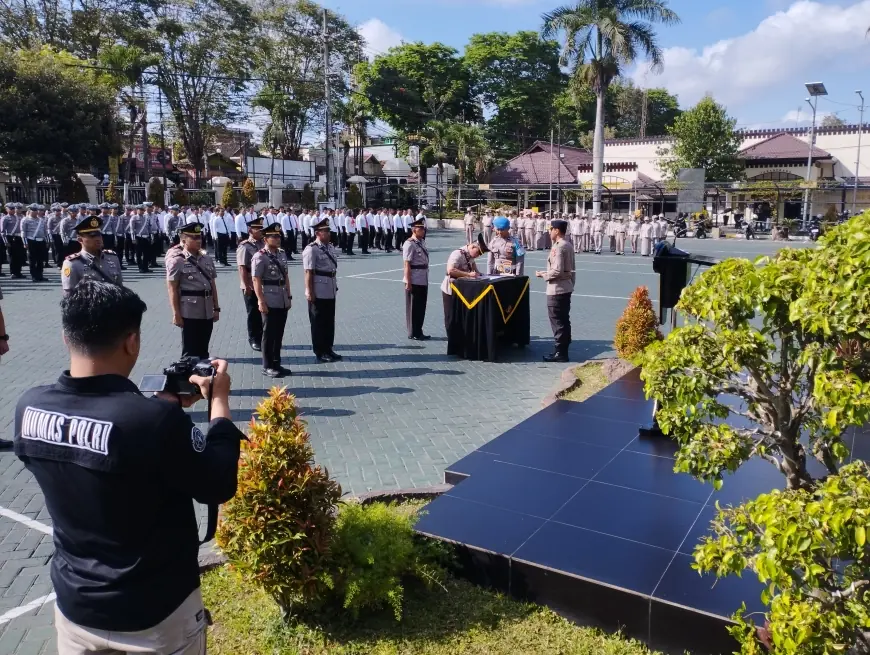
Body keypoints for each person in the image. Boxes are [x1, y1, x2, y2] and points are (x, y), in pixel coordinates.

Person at [13, 280, 243, 655]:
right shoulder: (153, 422)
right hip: (153, 612)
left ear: (65, 336)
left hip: (76, 606)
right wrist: (219, 402)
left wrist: (157, 408)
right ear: (131, 341)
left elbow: (98, 444)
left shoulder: (30, 406)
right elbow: (218, 483)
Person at [166, 222, 219, 360]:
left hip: (206, 309)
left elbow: (212, 284)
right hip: (189, 310)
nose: (198, 241)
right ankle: (187, 379)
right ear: (183, 240)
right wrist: (176, 313)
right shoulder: (177, 260)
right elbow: (172, 288)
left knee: (203, 350)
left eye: (199, 237)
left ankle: (202, 377)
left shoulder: (206, 258)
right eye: (193, 238)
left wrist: (216, 307)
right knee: (190, 352)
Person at [252, 222, 292, 378]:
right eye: (273, 236)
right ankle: (267, 365)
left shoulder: (281, 254)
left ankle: (276, 362)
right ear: (265, 239)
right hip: (269, 297)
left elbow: (286, 276)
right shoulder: (260, 256)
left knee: (279, 333)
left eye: (278, 236)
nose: (277, 239)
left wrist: (288, 295)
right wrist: (260, 301)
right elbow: (256, 279)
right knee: (268, 334)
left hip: (281, 297)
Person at [536, 219, 575, 363]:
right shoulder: (568, 245)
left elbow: (557, 270)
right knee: (564, 320)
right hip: (566, 287)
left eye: (550, 229)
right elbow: (572, 270)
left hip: (557, 288)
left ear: (557, 230)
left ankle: (561, 352)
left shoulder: (558, 247)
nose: (549, 231)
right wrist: (571, 284)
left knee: (557, 320)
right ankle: (562, 350)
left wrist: (544, 275)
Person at [303, 218, 342, 363]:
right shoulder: (311, 249)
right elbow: (308, 272)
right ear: (318, 233)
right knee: (318, 322)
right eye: (325, 231)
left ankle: (328, 348)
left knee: (329, 321)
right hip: (318, 289)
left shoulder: (330, 247)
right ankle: (320, 351)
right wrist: (309, 291)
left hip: (330, 288)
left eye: (328, 231)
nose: (328, 233)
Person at [61, 215, 123, 294]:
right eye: (92, 236)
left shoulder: (113, 258)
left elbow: (120, 286)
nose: (98, 239)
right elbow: (69, 294)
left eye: (99, 235)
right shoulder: (72, 263)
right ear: (80, 239)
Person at [441, 238, 485, 334]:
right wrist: (468, 275)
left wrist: (481, 275)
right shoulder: (457, 254)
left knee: (461, 314)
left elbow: (474, 267)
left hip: (462, 290)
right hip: (451, 289)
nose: (477, 256)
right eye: (477, 253)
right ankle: (451, 336)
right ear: (472, 247)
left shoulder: (470, 255)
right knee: (450, 315)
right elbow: (451, 270)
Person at [238, 216, 265, 351]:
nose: (261, 231)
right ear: (250, 230)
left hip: (263, 283)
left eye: (261, 228)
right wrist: (244, 284)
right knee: (253, 312)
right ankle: (254, 338)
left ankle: (263, 337)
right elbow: (242, 267)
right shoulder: (245, 246)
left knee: (264, 310)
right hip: (250, 282)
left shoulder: (263, 243)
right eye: (257, 229)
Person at [402, 217, 430, 341]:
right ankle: (412, 331)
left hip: (423, 277)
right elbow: (406, 264)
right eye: (420, 228)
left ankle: (419, 330)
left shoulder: (421, 242)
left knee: (421, 306)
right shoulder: (409, 243)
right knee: (413, 307)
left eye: (423, 228)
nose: (423, 231)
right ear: (414, 230)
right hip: (414, 278)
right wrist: (408, 281)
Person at [20, 204, 48, 281]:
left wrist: (47, 240)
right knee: (32, 260)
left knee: (40, 259)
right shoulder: (25, 220)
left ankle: (40, 275)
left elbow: (45, 231)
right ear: (29, 211)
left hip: (41, 241)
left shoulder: (41, 220)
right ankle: (34, 276)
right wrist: (25, 243)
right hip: (31, 241)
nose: (36, 212)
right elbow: (23, 232)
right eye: (34, 210)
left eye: (37, 210)